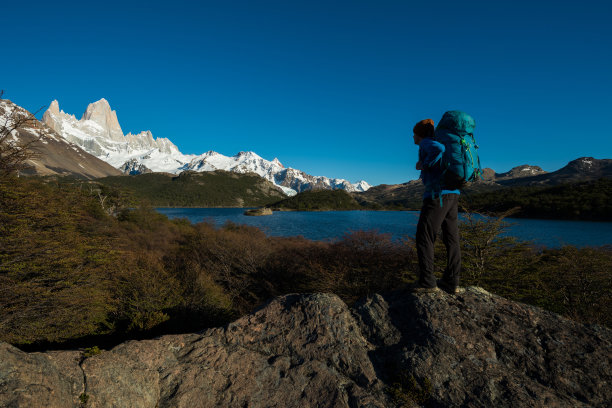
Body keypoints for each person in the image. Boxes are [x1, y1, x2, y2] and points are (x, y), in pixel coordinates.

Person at [411, 118, 461, 294]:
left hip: (437, 196)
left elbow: (439, 149)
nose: (413, 137)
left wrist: (423, 165)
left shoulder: (427, 142)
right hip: (453, 194)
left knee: (424, 236)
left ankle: (427, 282)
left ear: (419, 134)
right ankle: (452, 282)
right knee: (451, 238)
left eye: (414, 134)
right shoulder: (438, 140)